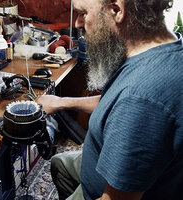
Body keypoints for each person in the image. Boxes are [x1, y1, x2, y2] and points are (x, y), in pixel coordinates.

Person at [37, 0, 183, 199]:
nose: (78, 24)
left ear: (116, 10)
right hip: (97, 165)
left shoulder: (141, 98)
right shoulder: (163, 49)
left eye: (83, 13)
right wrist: (61, 102)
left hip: (106, 193)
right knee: (59, 163)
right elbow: (113, 102)